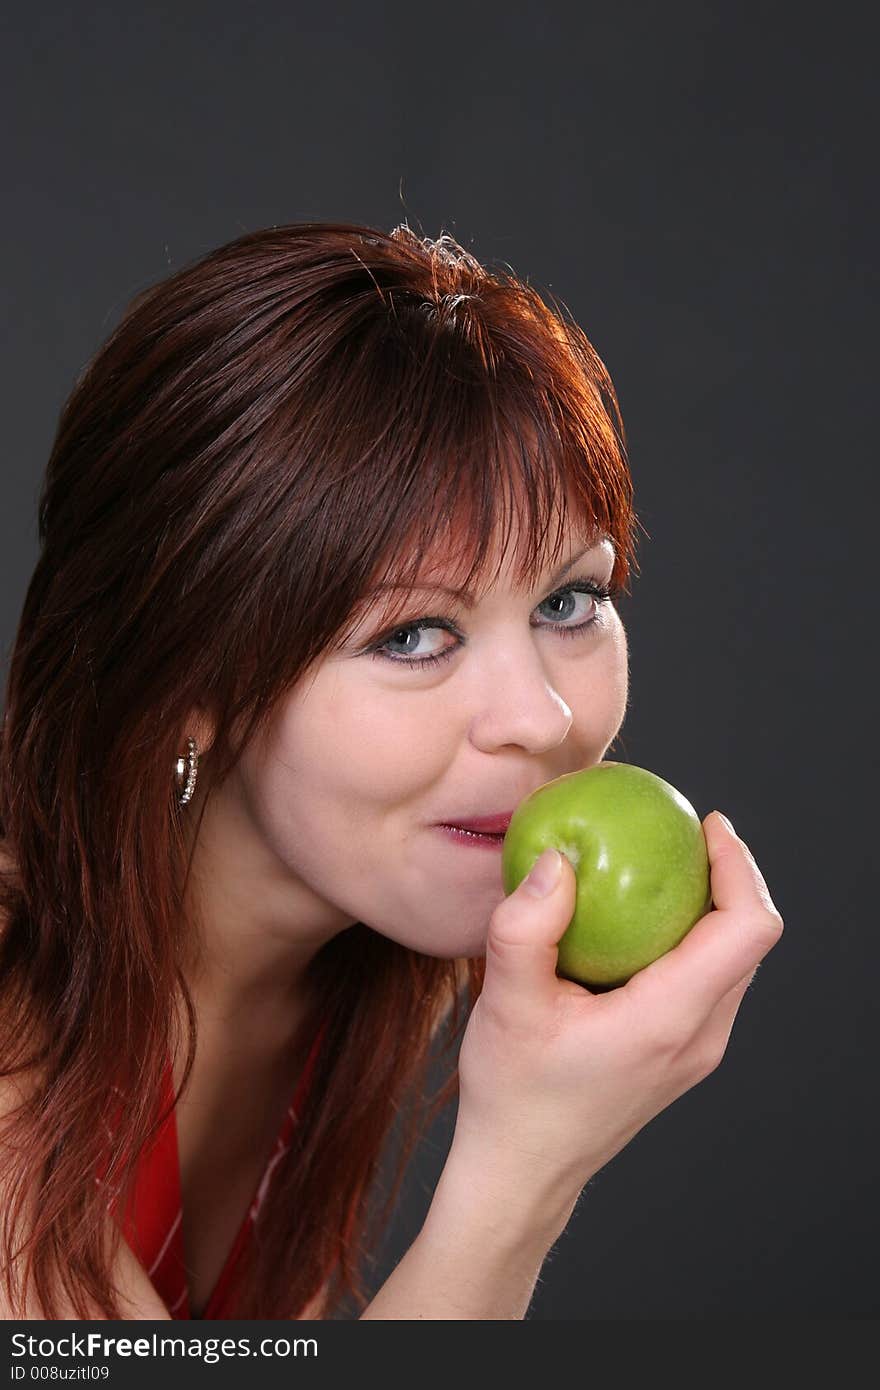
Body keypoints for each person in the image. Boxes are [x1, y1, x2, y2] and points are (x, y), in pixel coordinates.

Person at [0, 221, 784, 1321]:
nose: (540, 718)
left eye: (569, 601)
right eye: (412, 635)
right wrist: (519, 1176)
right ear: (186, 684)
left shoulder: (341, 963)